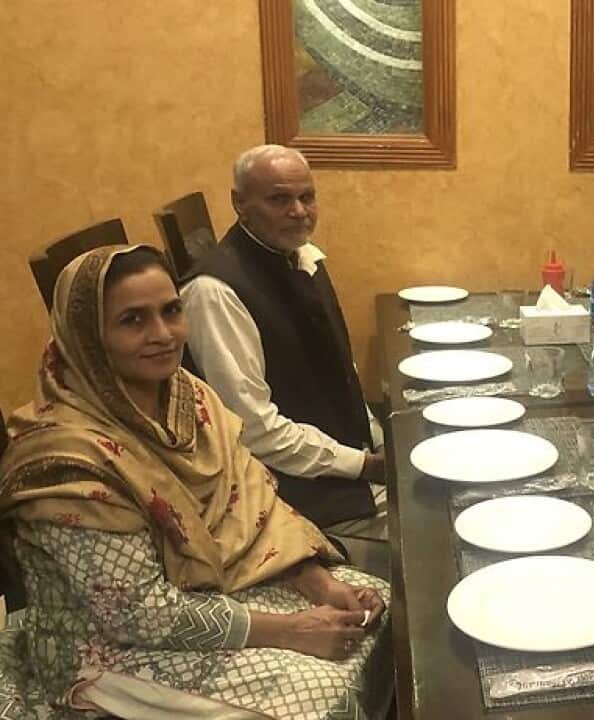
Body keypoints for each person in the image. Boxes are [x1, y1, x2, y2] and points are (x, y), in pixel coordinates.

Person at [0, 245, 390, 718]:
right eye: (132, 320)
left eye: (171, 311)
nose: (163, 335)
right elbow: (136, 612)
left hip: (211, 590)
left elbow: (253, 512)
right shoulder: (67, 463)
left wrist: (319, 584)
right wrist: (291, 630)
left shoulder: (189, 400)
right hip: (102, 646)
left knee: (381, 606)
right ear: (86, 337)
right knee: (317, 697)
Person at [181, 144, 384, 532]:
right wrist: (366, 465)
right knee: (439, 518)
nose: (299, 211)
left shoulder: (300, 256)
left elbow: (340, 371)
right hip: (288, 496)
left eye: (307, 197)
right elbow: (253, 430)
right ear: (239, 203)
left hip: (341, 459)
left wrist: (376, 440)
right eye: (279, 199)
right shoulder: (214, 292)